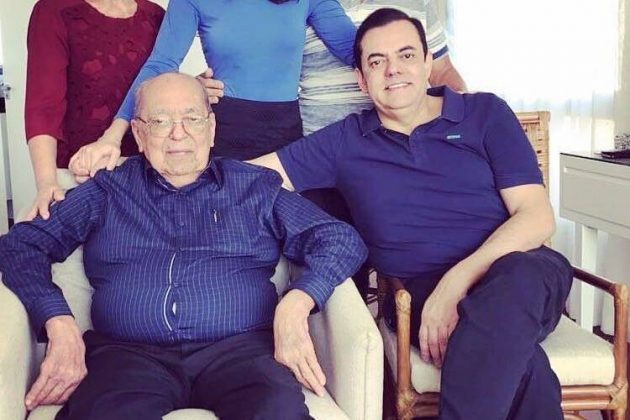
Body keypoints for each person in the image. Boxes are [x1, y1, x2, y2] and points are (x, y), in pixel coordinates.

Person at [251, 8, 572, 419]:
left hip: (524, 272)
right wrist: (189, 125)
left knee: (515, 278)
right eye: (377, 61)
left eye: (405, 55)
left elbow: (536, 216)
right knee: (524, 366)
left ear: (426, 63)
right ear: (362, 80)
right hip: (419, 293)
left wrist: (455, 284)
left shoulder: (485, 113)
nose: (393, 70)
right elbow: (253, 177)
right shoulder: (345, 140)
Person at [0, 73, 367, 419]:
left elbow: (339, 238)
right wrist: (58, 321)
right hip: (127, 356)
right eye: (160, 121)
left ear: (211, 128)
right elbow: (20, 244)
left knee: (277, 412)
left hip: (242, 352)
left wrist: (297, 302)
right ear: (139, 134)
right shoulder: (107, 190)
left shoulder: (255, 187)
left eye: (192, 119)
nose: (178, 134)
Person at [68, 0, 357, 178]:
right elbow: (161, 65)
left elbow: (356, 50)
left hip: (284, 132)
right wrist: (112, 136)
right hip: (223, 132)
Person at [24, 0, 164, 220]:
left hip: (144, 175)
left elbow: (158, 90)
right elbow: (44, 105)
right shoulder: (54, 10)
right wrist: (47, 182)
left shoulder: (155, 15)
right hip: (79, 174)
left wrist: (194, 87)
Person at [299, 0, 466, 134]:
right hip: (318, 147)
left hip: (406, 145)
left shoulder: (419, 2)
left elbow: (442, 71)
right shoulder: (302, 4)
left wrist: (466, 113)